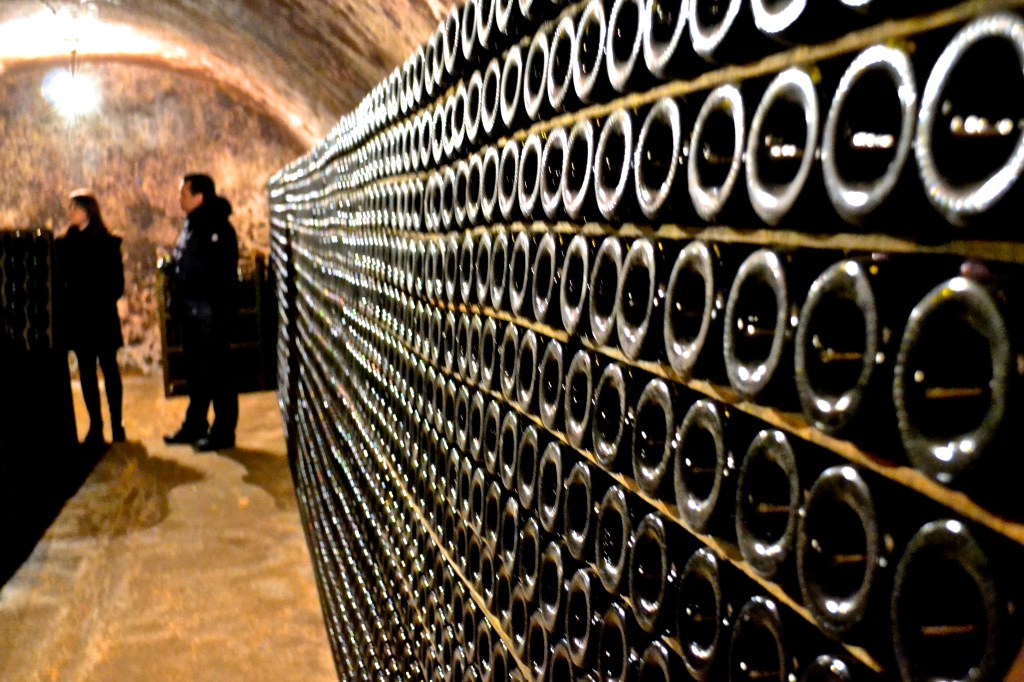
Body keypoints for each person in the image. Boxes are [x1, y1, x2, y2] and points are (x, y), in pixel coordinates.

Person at [163, 173, 239, 451]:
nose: (179, 199)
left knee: (218, 374)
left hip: (209, 313)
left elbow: (218, 272)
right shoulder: (193, 225)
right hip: (192, 311)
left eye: (184, 193)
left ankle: (223, 432)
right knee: (196, 374)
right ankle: (195, 424)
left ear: (199, 197)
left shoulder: (217, 227)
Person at [56, 190, 125, 448]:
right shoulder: (65, 245)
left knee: (109, 370)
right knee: (86, 372)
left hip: (101, 316)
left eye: (76, 207)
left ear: (88, 211)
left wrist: (93, 297)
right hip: (80, 319)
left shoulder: (107, 244)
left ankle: (117, 424)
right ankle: (96, 425)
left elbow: (116, 284)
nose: (71, 212)